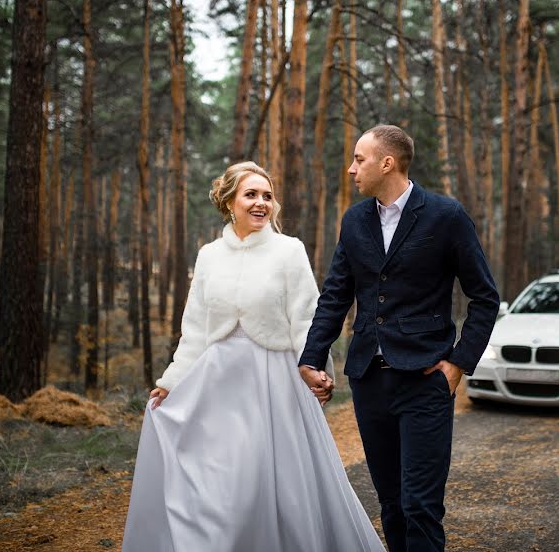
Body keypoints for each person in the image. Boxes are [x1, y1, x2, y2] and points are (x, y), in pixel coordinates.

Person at [122, 161, 385, 552]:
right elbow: (194, 328)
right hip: (216, 388)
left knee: (269, 485)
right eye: (251, 195)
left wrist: (316, 370)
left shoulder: (288, 251)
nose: (261, 203)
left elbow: (306, 319)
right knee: (220, 487)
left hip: (274, 385)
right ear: (229, 202)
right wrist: (170, 382)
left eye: (267, 196)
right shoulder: (209, 256)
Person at [298, 125, 501, 552]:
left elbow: (484, 297)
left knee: (420, 506)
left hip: (425, 379)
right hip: (370, 380)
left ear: (387, 163)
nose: (351, 168)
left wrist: (457, 364)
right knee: (390, 503)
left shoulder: (446, 216)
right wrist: (311, 357)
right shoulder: (354, 220)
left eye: (359, 159)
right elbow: (336, 294)